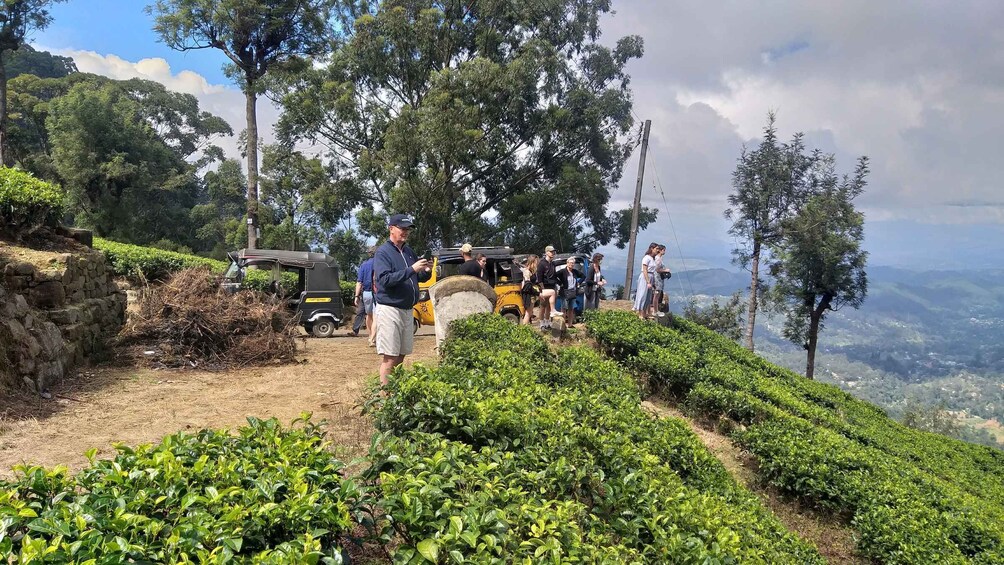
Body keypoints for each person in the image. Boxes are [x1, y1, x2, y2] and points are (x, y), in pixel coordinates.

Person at [373, 213, 432, 386]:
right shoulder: (383, 253)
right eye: (402, 228)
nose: (405, 232)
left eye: (407, 229)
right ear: (391, 229)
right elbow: (384, 280)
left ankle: (394, 391)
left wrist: (424, 271)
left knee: (401, 354)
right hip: (390, 309)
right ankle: (385, 398)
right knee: (390, 357)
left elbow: (417, 278)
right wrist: (412, 269)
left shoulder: (408, 251)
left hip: (407, 310)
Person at [351, 246, 377, 346]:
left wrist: (356, 296)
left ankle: (370, 336)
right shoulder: (380, 264)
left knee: (369, 316)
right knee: (376, 317)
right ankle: (373, 339)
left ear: (369, 254)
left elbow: (359, 282)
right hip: (377, 293)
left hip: (366, 293)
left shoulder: (364, 265)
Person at [632, 242, 659, 319]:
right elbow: (644, 270)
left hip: (651, 276)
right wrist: (648, 281)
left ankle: (645, 313)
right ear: (651, 248)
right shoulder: (646, 258)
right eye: (656, 248)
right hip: (645, 277)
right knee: (642, 294)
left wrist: (653, 282)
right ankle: (640, 313)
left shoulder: (652, 258)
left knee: (648, 296)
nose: (657, 250)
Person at [555, 256, 584, 327]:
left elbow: (583, 276)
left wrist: (579, 282)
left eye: (573, 263)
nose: (572, 264)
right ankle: (562, 325)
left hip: (573, 292)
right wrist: (560, 283)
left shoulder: (575, 271)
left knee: (571, 309)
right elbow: (554, 276)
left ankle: (570, 324)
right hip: (564, 292)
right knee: (564, 308)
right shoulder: (562, 271)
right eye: (570, 263)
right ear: (567, 263)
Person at [536, 245, 558, 329]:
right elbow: (539, 279)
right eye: (551, 252)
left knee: (549, 306)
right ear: (546, 252)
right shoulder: (541, 264)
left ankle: (547, 322)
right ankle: (541, 323)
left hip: (552, 286)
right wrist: (542, 289)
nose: (553, 253)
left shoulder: (552, 263)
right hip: (544, 287)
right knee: (543, 306)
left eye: (553, 252)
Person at [650, 245, 671, 317]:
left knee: (658, 294)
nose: (664, 252)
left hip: (659, 278)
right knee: (657, 295)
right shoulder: (658, 259)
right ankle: (655, 310)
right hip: (657, 278)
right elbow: (657, 270)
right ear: (660, 250)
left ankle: (656, 310)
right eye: (664, 250)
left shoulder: (659, 258)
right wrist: (665, 270)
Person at [520, 255, 540, 325]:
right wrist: (538, 293)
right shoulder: (526, 272)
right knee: (528, 313)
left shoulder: (531, 272)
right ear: (532, 262)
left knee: (529, 312)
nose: (536, 265)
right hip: (528, 294)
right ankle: (524, 329)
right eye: (536, 263)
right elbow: (527, 285)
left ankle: (525, 328)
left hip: (532, 293)